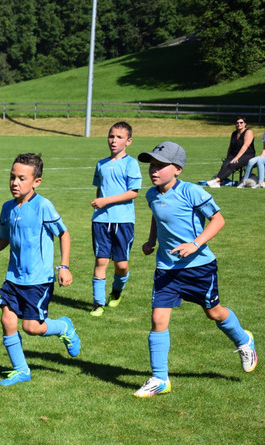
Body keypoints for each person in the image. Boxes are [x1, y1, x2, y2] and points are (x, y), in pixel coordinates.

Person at [133, 141, 256, 397]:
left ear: (177, 169)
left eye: (160, 165)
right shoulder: (151, 195)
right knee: (158, 320)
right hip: (167, 268)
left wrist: (194, 244)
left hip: (199, 267)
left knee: (214, 313)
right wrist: (151, 241)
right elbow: (158, 218)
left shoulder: (192, 192)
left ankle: (244, 341)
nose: (154, 170)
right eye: (152, 165)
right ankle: (160, 379)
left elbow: (218, 220)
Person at [0, 153, 81, 386]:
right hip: (14, 278)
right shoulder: (7, 208)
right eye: (12, 177)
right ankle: (21, 370)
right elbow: (3, 239)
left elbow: (64, 234)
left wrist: (64, 267)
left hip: (38, 280)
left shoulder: (43, 206)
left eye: (22, 178)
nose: (15, 183)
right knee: (7, 320)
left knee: (31, 327)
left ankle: (63, 326)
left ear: (37, 182)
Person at [89, 121, 143, 316]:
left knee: (121, 265)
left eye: (119, 137)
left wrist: (106, 201)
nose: (113, 140)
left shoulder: (131, 163)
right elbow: (100, 189)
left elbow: (133, 192)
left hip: (123, 220)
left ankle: (117, 291)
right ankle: (98, 304)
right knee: (101, 261)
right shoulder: (101, 164)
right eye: (111, 136)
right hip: (100, 221)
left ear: (128, 141)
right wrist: (100, 202)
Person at [203, 117, 255, 187]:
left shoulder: (248, 132)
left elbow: (245, 145)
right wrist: (228, 157)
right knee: (225, 164)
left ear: (245, 124)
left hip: (247, 155)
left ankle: (216, 180)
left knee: (233, 164)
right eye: (237, 123)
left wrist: (237, 158)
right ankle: (218, 183)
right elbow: (231, 146)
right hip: (234, 154)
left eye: (241, 122)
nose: (239, 124)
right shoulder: (234, 133)